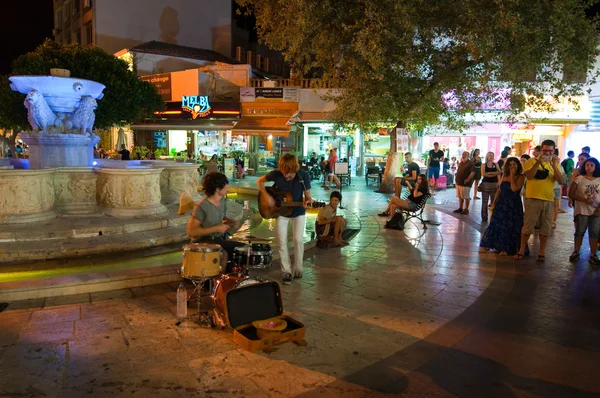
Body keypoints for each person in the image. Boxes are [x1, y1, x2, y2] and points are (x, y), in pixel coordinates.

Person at [257, 154, 312, 284]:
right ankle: (286, 271)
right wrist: (266, 196)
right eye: (284, 173)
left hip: (298, 211)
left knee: (298, 239)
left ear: (295, 169)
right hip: (281, 212)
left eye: (290, 174)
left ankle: (298, 268)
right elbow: (259, 181)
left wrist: (308, 201)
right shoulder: (276, 174)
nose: (286, 176)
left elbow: (308, 196)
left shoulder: (303, 176)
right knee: (282, 242)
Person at [515, 139, 563, 261]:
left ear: (554, 151)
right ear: (541, 150)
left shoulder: (556, 163)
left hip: (548, 199)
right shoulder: (531, 161)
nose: (547, 153)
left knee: (545, 227)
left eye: (550, 151)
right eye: (545, 150)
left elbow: (561, 180)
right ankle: (521, 249)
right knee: (528, 226)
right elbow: (529, 176)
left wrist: (554, 166)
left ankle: (541, 252)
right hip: (532, 199)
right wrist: (538, 162)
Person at [186, 172, 244, 272]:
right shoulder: (201, 206)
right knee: (224, 254)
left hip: (217, 239)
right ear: (217, 189)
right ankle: (218, 282)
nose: (228, 188)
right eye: (225, 187)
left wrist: (229, 221)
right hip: (202, 241)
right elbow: (191, 231)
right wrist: (217, 228)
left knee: (242, 249)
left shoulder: (222, 201)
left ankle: (233, 278)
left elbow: (218, 217)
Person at [479, 157, 525, 255]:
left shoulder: (521, 176)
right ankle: (491, 245)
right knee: (496, 223)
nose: (512, 166)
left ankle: (506, 248)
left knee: (509, 226)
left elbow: (514, 189)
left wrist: (512, 176)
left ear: (518, 165)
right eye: (510, 164)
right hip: (502, 203)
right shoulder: (504, 175)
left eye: (514, 164)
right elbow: (500, 189)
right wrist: (494, 202)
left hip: (513, 204)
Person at [568, 157, 600, 264]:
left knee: (594, 233)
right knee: (579, 231)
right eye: (587, 165)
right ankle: (576, 251)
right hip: (582, 210)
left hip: (596, 210)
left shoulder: (599, 179)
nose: (589, 167)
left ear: (596, 167)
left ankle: (593, 254)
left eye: (591, 165)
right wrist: (584, 199)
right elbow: (571, 193)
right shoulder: (579, 179)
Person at [480, 152, 501, 222]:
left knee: (494, 201)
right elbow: (484, 174)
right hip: (486, 184)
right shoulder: (483, 165)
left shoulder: (496, 164)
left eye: (492, 155)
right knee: (484, 201)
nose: (491, 157)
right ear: (487, 157)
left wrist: (489, 173)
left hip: (494, 184)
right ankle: (484, 217)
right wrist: (493, 173)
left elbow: (499, 172)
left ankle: (493, 216)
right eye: (489, 155)